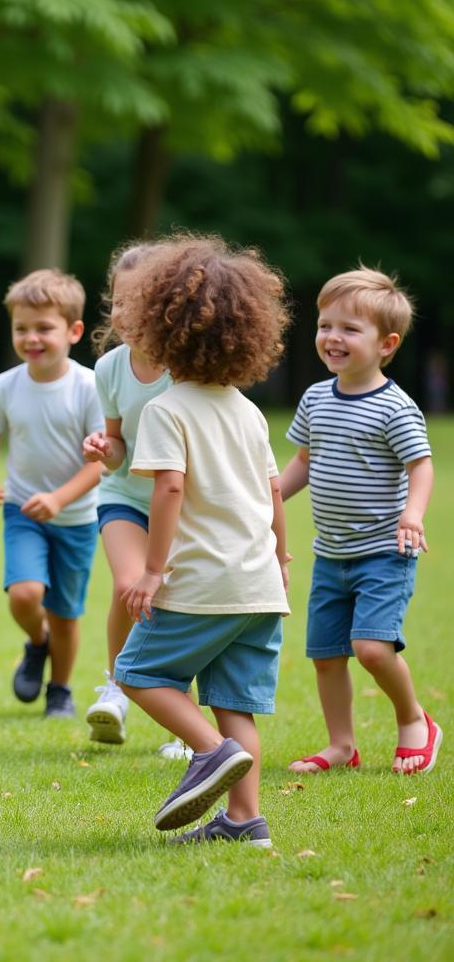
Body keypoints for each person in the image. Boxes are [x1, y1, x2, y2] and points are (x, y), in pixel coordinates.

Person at [115, 236, 290, 848]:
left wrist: (153, 570)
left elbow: (168, 490)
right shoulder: (247, 411)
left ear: (160, 330)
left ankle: (209, 753)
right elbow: (272, 492)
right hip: (259, 583)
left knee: (136, 671)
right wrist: (283, 557)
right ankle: (246, 823)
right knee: (234, 701)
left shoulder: (168, 409)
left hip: (202, 581)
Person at [280, 268, 440, 776]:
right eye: (326, 325)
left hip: (384, 553)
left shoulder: (395, 407)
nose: (333, 337)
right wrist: (270, 502)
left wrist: (412, 515)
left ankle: (415, 720)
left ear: (387, 343)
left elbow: (422, 465)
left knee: (371, 648)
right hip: (331, 554)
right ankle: (341, 745)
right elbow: (304, 461)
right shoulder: (315, 397)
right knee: (327, 656)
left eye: (350, 328)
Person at [0, 269, 104, 719]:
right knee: (25, 595)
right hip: (23, 511)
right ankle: (36, 642)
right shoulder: (6, 386)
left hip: (77, 519)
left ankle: (61, 691)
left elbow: (100, 462)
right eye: (21, 328)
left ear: (73, 331)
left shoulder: (89, 387)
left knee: (66, 613)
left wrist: (60, 499)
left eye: (44, 328)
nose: (32, 338)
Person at [81, 243, 187, 758]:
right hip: (124, 495)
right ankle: (117, 687)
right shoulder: (110, 369)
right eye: (118, 301)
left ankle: (183, 728)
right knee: (129, 586)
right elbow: (117, 447)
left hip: (184, 506)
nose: (124, 314)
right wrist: (104, 448)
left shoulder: (188, 369)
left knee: (177, 602)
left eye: (138, 302)